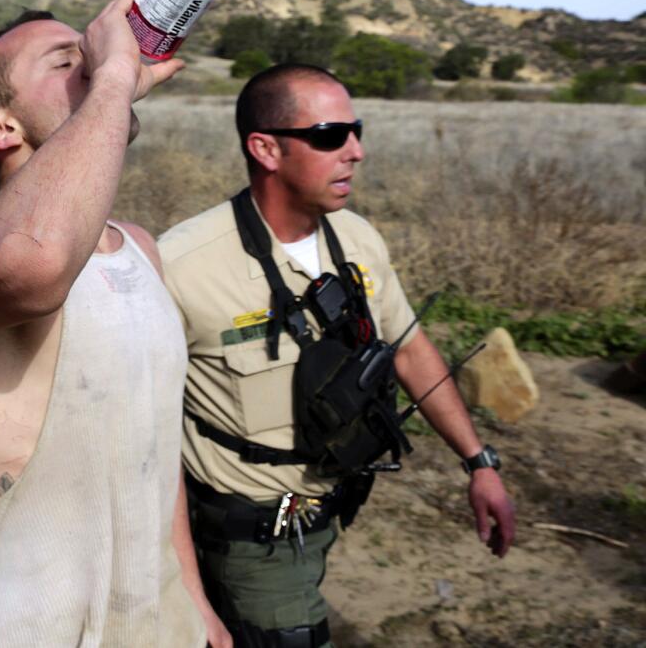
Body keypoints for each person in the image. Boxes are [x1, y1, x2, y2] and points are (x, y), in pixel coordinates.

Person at [159, 64, 517, 647]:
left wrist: (479, 463)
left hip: (331, 506)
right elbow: (144, 440)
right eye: (330, 136)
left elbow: (407, 348)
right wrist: (185, 587)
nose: (356, 151)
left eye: (357, 130)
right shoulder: (182, 266)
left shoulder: (356, 238)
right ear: (266, 148)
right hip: (251, 536)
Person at [0, 0, 231, 647]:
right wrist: (114, 79)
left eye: (90, 54)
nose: (94, 61)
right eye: (68, 61)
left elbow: (154, 449)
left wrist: (194, 598)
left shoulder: (141, 249)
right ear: (0, 125)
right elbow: (29, 261)